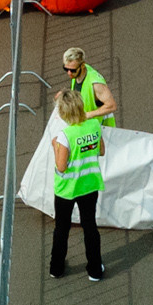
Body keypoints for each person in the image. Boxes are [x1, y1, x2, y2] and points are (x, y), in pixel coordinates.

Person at [49, 88, 107, 281]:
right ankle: (95, 270)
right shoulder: (94, 125)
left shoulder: (65, 135)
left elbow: (61, 166)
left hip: (67, 189)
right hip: (89, 185)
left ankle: (56, 268)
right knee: (90, 227)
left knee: (62, 229)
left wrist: (56, 146)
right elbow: (101, 151)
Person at [63, 46, 118, 126]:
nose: (69, 73)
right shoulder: (77, 74)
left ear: (82, 65)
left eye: (73, 70)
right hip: (89, 128)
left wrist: (88, 115)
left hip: (101, 129)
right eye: (66, 69)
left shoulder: (95, 83)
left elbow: (112, 105)